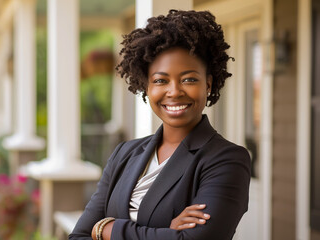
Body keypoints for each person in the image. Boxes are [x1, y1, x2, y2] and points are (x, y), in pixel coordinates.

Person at [69, 9, 251, 240]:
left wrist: (106, 228)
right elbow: (79, 236)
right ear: (147, 87)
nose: (174, 91)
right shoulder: (124, 154)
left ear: (208, 84)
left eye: (189, 79)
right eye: (160, 81)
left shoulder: (227, 160)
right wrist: (166, 231)